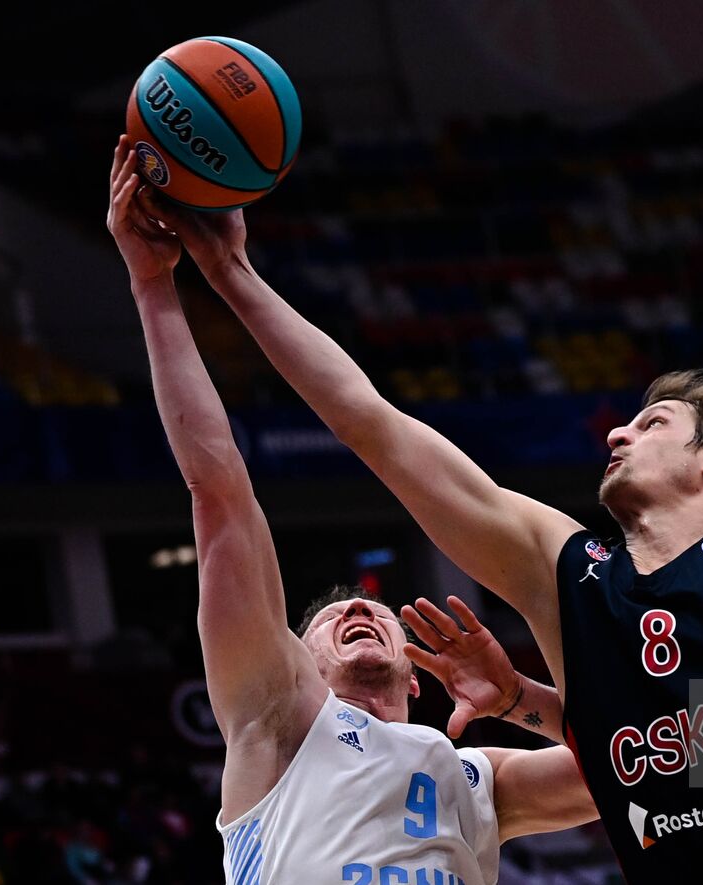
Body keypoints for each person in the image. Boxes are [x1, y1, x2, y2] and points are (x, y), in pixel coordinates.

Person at [135, 163, 703, 881]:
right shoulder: (567, 572)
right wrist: (231, 275)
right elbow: (372, 423)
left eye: (652, 422)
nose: (615, 434)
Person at [106, 136, 596, 884]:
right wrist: (152, 286)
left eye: (379, 615)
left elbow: (684, 754)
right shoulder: (277, 720)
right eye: (330, 620)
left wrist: (524, 698)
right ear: (293, 659)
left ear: (417, 678)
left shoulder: (472, 776)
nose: (359, 611)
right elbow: (219, 488)